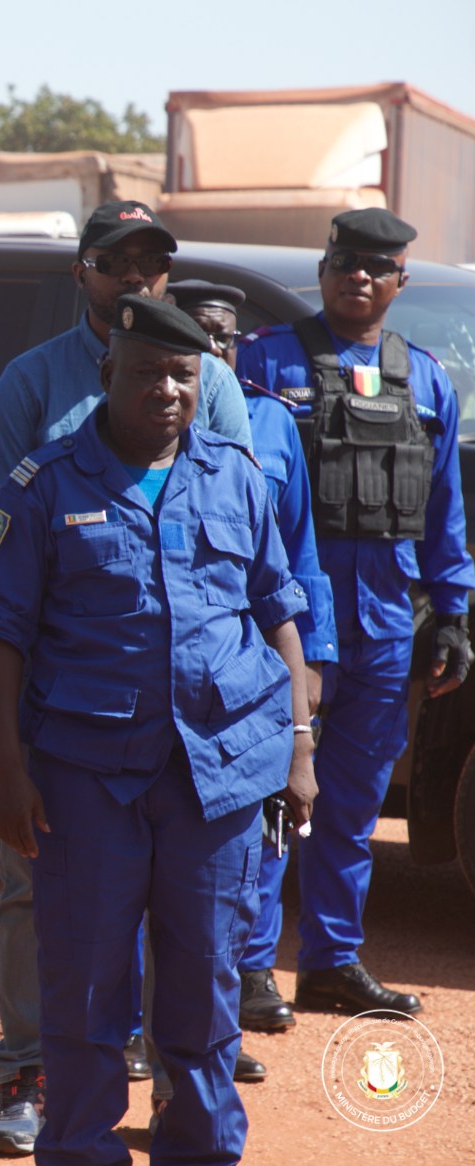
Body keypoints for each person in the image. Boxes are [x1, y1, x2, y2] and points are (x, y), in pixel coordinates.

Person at [0, 294, 315, 1166]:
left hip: (218, 775)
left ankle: (199, 1149)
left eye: (184, 376)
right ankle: (81, 1148)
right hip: (87, 777)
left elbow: (277, 610)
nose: (167, 390)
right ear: (107, 374)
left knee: (204, 987)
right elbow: (0, 634)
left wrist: (299, 743)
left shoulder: (235, 473)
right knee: (86, 989)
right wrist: (6, 769)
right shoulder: (45, 484)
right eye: (148, 373)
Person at [235, 208, 474, 1016]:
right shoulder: (265, 360)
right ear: (325, 268)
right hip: (289, 619)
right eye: (345, 262)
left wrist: (452, 613)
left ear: (398, 280)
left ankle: (331, 961)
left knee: (352, 803)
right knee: (272, 791)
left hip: (383, 622)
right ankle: (250, 967)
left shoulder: (427, 379)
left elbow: (443, 508)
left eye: (376, 267)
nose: (358, 277)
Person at [170, 279, 334, 1046]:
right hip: (176, 671)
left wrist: (313, 659)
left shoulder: (271, 422)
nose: (215, 349)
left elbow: (299, 553)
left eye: (225, 337)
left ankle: (254, 970)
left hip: (257, 662)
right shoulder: (138, 425)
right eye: (199, 334)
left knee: (265, 821)